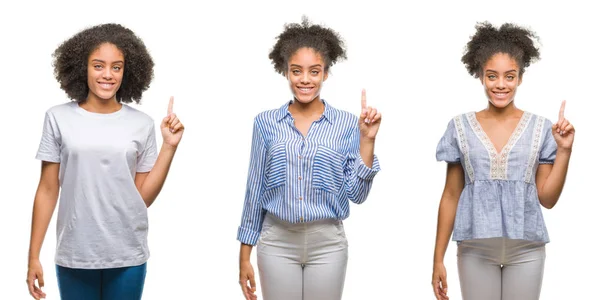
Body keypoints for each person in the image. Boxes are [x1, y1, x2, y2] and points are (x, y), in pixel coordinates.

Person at [26, 23, 184, 300]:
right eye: (98, 66)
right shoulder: (57, 118)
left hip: (127, 254)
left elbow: (142, 197)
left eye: (117, 67)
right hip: (75, 254)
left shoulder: (142, 124)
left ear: (128, 70)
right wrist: (33, 256)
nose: (108, 75)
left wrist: (169, 148)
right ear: (82, 68)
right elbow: (48, 189)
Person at [237, 17, 382, 300]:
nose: (305, 79)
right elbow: (254, 190)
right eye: (297, 71)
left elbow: (357, 194)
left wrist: (368, 139)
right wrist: (244, 255)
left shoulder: (347, 124)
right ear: (285, 71)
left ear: (325, 73)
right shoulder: (266, 123)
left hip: (328, 243)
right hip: (276, 241)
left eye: (314, 71)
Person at [431, 22, 574, 300]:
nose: (500, 84)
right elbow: (450, 195)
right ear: (480, 75)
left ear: (520, 78)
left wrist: (564, 151)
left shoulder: (541, 128)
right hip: (475, 248)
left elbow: (547, 198)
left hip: (527, 248)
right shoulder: (460, 127)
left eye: (509, 76)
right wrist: (438, 258)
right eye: (492, 76)